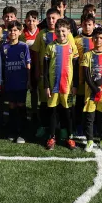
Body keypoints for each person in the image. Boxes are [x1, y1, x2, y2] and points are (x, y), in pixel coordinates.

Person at [32, 8, 77, 139]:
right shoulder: (43, 34)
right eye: (48, 18)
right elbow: (36, 52)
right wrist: (37, 71)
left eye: (54, 18)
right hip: (48, 76)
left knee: (64, 107)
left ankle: (63, 129)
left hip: (65, 80)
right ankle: (45, 127)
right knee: (46, 103)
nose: (51, 21)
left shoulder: (68, 37)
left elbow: (73, 58)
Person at [42, 19, 78, 150]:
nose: (60, 33)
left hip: (67, 87)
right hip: (53, 86)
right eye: (58, 31)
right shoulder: (50, 47)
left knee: (68, 112)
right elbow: (45, 69)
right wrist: (46, 86)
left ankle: (70, 137)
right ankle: (51, 137)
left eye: (63, 31)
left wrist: (75, 85)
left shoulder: (72, 47)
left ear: (69, 31)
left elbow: (76, 68)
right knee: (53, 111)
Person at [82, 28, 102, 153]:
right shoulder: (87, 55)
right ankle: (89, 140)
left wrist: (99, 85)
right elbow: (86, 74)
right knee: (90, 117)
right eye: (96, 38)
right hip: (90, 91)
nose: (98, 40)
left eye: (101, 38)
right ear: (92, 39)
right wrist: (94, 88)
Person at [1, 21, 30, 143]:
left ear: (19, 32)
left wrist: (28, 80)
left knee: (21, 105)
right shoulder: (4, 47)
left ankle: (23, 132)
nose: (12, 32)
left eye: (15, 30)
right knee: (12, 105)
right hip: (9, 81)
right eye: (10, 30)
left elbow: (28, 64)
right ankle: (12, 130)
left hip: (21, 81)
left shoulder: (23, 46)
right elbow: (2, 65)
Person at [73, 14, 97, 140]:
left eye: (89, 24)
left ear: (94, 25)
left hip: (95, 79)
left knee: (93, 103)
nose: (87, 27)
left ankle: (93, 126)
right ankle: (78, 126)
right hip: (81, 78)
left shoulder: (98, 39)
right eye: (85, 24)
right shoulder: (76, 40)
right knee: (80, 103)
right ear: (81, 25)